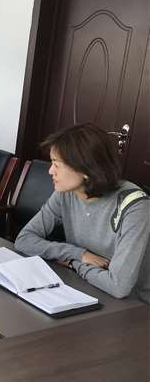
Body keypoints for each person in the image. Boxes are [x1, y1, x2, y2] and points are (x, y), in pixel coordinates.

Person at [15, 123, 149, 302]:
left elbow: (119, 286)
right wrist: (78, 254)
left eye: (56, 164)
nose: (50, 171)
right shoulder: (66, 193)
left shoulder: (135, 206)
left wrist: (73, 263)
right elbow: (24, 240)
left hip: (135, 304)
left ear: (86, 169)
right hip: (87, 288)